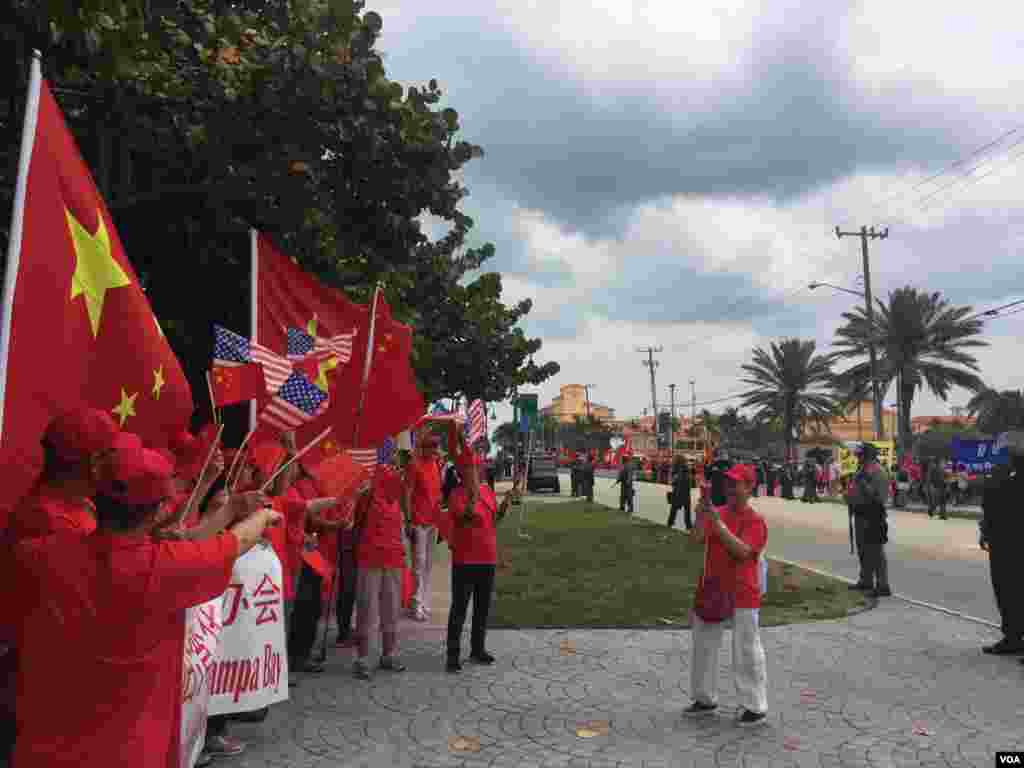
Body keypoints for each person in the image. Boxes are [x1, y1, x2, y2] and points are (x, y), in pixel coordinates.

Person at [2, 437, 276, 768]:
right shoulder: (168, 565)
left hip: (43, 749)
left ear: (93, 499)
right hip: (131, 750)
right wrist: (262, 515)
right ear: (160, 509)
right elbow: (239, 540)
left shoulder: (38, 555)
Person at [685, 463, 768, 726]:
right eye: (728, 483)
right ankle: (704, 698)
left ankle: (754, 705)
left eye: (736, 484)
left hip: (743, 592)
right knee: (703, 647)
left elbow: (743, 552)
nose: (730, 488)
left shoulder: (755, 521)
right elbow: (696, 539)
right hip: (712, 587)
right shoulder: (716, 512)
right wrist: (701, 516)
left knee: (746, 650)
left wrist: (718, 525)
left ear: (749, 487)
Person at [352, 448, 410, 680]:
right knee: (367, 608)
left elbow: (401, 523)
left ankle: (388, 653)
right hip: (370, 557)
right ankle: (363, 657)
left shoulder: (397, 497)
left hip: (393, 558)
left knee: (391, 608)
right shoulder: (368, 492)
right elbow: (356, 520)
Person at [444, 447, 501, 672]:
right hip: (465, 560)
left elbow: (492, 521)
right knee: (459, 608)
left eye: (478, 468)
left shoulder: (488, 492)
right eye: (472, 469)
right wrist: (473, 496)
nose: (477, 471)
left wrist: (506, 504)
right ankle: (452, 654)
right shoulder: (456, 495)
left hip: (487, 558)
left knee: (482, 608)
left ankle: (478, 649)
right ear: (462, 472)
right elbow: (465, 516)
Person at [979, 431, 1024, 656]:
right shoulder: (1000, 476)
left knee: (1012, 591)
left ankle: (1015, 637)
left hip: (1012, 543)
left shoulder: (1007, 478)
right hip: (1001, 541)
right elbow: (990, 508)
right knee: (1006, 591)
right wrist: (985, 530)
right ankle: (1013, 637)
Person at [407, 430, 442, 622]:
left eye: (435, 446)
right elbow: (407, 492)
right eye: (430, 446)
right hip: (419, 520)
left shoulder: (435, 464)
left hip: (433, 520)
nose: (433, 449)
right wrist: (409, 519)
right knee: (418, 563)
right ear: (422, 447)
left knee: (428, 564)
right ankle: (416, 603)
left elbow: (436, 492)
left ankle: (424, 602)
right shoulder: (415, 465)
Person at [847, 444, 891, 598]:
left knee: (875, 552)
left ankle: (882, 585)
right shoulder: (862, 470)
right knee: (863, 550)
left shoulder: (878, 471)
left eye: (861, 455)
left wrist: (864, 483)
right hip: (860, 514)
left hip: (873, 515)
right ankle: (866, 580)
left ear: (868, 456)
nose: (858, 458)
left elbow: (879, 497)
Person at [668, 457, 691, 529]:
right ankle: (688, 525)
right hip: (685, 492)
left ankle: (670, 522)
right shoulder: (686, 469)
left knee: (674, 509)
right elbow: (688, 481)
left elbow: (672, 481)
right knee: (687, 510)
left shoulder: (675, 469)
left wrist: (674, 482)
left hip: (677, 491)